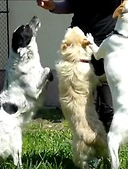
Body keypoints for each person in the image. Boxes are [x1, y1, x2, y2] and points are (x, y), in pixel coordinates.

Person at [37, 0, 121, 132]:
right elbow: (72, 4)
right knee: (82, 108)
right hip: (78, 47)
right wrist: (54, 6)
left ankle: (108, 147)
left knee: (107, 107)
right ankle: (88, 143)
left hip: (105, 42)